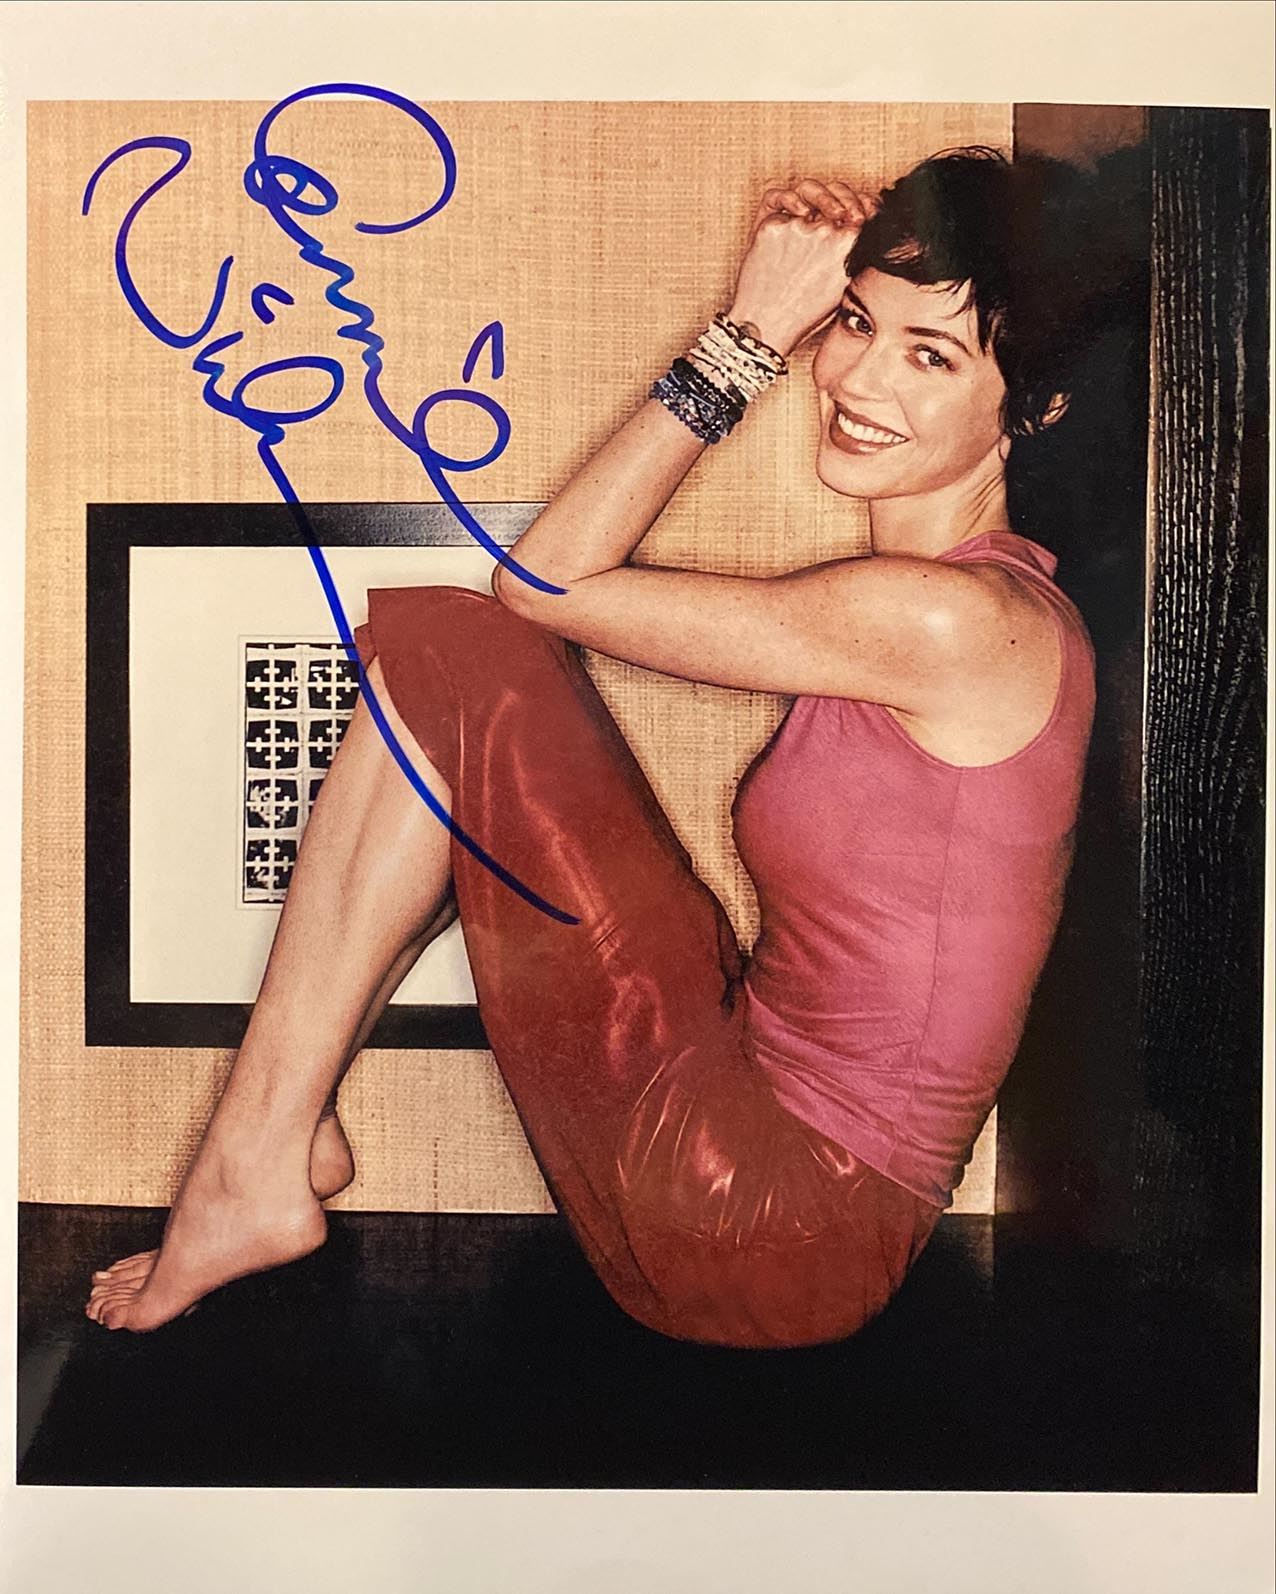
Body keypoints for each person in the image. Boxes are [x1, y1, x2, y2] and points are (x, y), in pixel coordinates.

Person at [86, 146, 1095, 1348]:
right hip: (763, 1157)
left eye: (932, 356)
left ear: (1034, 407)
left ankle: (254, 1157)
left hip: (770, 1230)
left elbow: (544, 582)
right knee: (457, 686)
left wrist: (746, 336)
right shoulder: (972, 602)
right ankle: (271, 1139)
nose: (857, 376)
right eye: (853, 321)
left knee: (463, 649)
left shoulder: (948, 622)